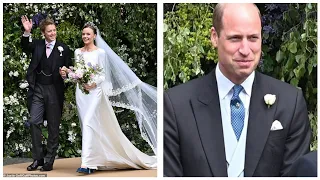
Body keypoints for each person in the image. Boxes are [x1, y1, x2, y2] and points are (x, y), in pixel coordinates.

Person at [164, 3, 311, 177]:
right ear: (214, 37)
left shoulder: (290, 102)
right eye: (235, 38)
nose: (245, 50)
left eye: (253, 38)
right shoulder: (176, 105)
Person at [63, 22, 157, 174]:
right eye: (83, 34)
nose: (85, 36)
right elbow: (78, 71)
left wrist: (93, 83)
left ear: (94, 36)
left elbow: (102, 74)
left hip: (95, 92)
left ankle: (86, 163)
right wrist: (74, 76)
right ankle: (94, 162)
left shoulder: (100, 52)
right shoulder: (77, 52)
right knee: (86, 124)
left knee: (88, 123)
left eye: (88, 34)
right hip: (81, 93)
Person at [21, 16, 72, 171]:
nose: (53, 33)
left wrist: (66, 73)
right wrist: (27, 32)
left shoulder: (64, 48)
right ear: (43, 32)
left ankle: (49, 161)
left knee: (53, 127)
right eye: (49, 31)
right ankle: (38, 159)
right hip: (38, 89)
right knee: (34, 121)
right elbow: (24, 46)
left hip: (54, 90)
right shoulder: (36, 45)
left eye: (54, 30)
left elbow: (70, 68)